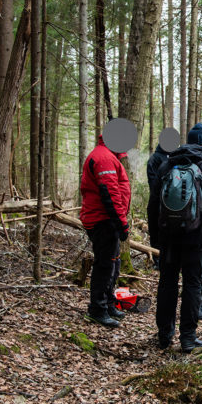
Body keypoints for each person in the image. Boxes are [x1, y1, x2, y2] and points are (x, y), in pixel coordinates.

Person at [153, 123, 202, 352]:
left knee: (167, 284)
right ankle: (187, 337)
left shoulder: (167, 165)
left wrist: (155, 239)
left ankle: (164, 335)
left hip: (168, 237)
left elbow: (153, 203)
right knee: (192, 286)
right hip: (198, 238)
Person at [79, 134, 131, 328]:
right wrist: (121, 223)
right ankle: (97, 309)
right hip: (102, 220)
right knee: (105, 265)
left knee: (113, 263)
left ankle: (108, 303)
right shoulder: (104, 158)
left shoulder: (108, 155)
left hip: (107, 220)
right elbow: (110, 194)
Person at [146, 142, 168, 270]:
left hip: (168, 204)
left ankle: (163, 260)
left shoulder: (174, 158)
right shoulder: (155, 159)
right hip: (156, 202)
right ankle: (158, 261)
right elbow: (153, 183)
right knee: (155, 233)